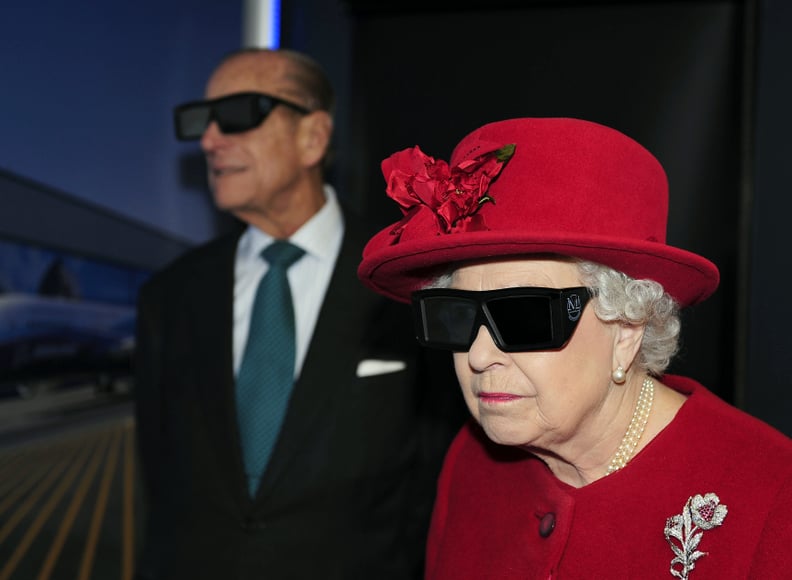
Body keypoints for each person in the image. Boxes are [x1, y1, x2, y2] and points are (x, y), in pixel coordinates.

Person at [357, 117, 792, 578]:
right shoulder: (472, 460)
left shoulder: (773, 498)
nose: (479, 357)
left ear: (627, 327)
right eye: (456, 314)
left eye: (523, 317)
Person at [133, 48, 464, 580]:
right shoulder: (169, 297)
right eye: (201, 121)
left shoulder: (406, 279)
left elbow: (438, 477)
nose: (209, 140)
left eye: (238, 114)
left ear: (313, 137)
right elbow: (160, 481)